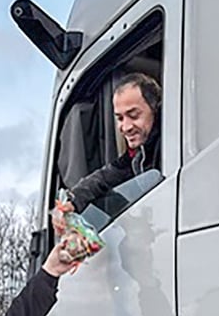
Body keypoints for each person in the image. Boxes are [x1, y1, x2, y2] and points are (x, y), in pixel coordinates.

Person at [61, 71, 162, 216]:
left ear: (155, 109)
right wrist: (73, 199)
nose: (126, 127)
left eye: (134, 115)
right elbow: (106, 176)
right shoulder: (136, 155)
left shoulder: (168, 145)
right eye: (120, 118)